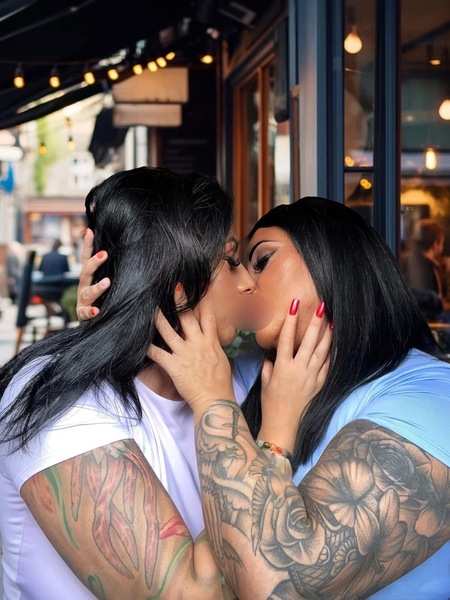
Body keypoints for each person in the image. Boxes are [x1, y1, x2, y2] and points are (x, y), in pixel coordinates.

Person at [1, 166, 325, 599]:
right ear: (178, 286)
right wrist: (273, 437)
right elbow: (189, 593)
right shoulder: (60, 403)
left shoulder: (243, 381)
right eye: (231, 261)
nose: (248, 281)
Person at [145, 196, 450, 599]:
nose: (246, 283)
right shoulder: (247, 373)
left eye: (261, 260)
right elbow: (142, 375)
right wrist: (107, 311)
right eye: (236, 266)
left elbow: (277, 586)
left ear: (331, 256)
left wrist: (214, 402)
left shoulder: (432, 396)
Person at [402, 218, 450, 319]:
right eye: (442, 242)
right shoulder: (423, 268)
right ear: (435, 244)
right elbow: (431, 304)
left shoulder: (415, 261)